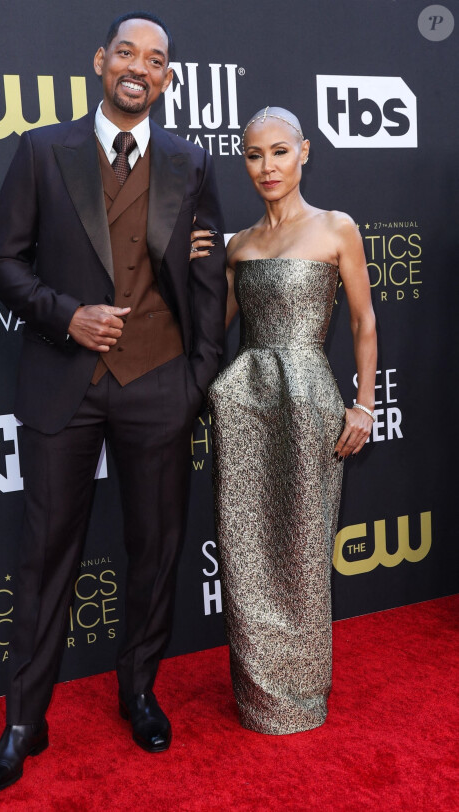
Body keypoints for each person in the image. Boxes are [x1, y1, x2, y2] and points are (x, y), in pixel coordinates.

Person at [0, 12, 226, 795]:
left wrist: (198, 382)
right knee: (47, 556)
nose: (139, 68)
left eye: (156, 61)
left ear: (167, 80)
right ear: (99, 61)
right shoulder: (43, 151)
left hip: (160, 385)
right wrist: (64, 313)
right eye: (127, 52)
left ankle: (140, 691)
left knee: (156, 551)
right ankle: (24, 719)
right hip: (65, 382)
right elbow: (3, 261)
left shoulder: (192, 163)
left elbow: (211, 276)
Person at [206, 106, 377, 735]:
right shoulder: (241, 245)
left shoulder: (337, 228)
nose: (267, 167)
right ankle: (257, 698)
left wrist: (364, 403)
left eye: (279, 152)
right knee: (243, 548)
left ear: (304, 152)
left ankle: (300, 696)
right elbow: (212, 330)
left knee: (302, 549)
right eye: (254, 155)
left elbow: (364, 322)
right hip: (247, 405)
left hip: (309, 402)